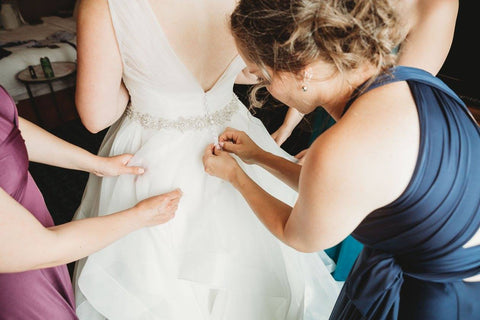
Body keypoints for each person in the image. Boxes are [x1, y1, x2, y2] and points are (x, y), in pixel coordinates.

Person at [203, 0, 480, 319]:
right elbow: (335, 192)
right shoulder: (407, 79)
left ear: (302, 69)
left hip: (433, 301)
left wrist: (236, 176)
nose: (266, 87)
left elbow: (296, 234)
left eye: (264, 77)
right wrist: (259, 156)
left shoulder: (343, 148)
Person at [72, 0, 339, 319]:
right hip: (233, 137)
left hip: (150, 152)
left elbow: (97, 115)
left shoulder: (102, 4)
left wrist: (143, 76)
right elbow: (249, 68)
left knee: (152, 276)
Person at [267, 0, 460, 283]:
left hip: (377, 137)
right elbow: (313, 57)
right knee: (313, 204)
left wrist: (339, 146)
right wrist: (287, 125)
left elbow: (397, 97)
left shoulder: (438, 6)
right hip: (331, 108)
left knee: (342, 224)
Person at [0, 85, 182, 319]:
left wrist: (96, 164)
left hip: (33, 224)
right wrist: (140, 216)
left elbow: (10, 130)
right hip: (18, 272)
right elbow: (42, 247)